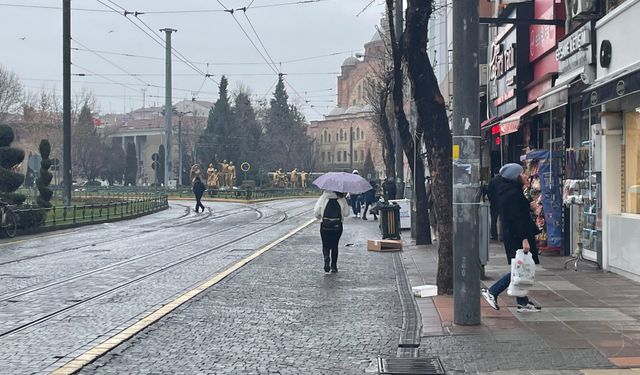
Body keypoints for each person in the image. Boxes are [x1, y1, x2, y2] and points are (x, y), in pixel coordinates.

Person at [481, 163, 542, 313]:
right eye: (522, 173)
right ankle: (493, 291)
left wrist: (527, 206)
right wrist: (524, 239)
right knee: (519, 268)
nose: (525, 175)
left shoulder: (508, 191)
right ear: (515, 176)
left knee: (521, 266)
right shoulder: (513, 194)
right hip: (518, 236)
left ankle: (522, 301)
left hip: (512, 234)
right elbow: (517, 218)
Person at [314, 190, 351, 273]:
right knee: (335, 245)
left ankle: (326, 257)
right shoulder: (341, 198)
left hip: (325, 225)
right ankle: (334, 266)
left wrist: (319, 216)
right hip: (337, 226)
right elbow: (346, 213)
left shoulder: (324, 196)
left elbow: (316, 212)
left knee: (325, 244)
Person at [486, 168, 502, 240]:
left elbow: (488, 192)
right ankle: (502, 235)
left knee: (493, 219)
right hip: (502, 202)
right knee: (502, 219)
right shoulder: (503, 180)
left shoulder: (492, 181)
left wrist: (491, 200)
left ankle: (494, 235)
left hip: (494, 202)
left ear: (494, 174)